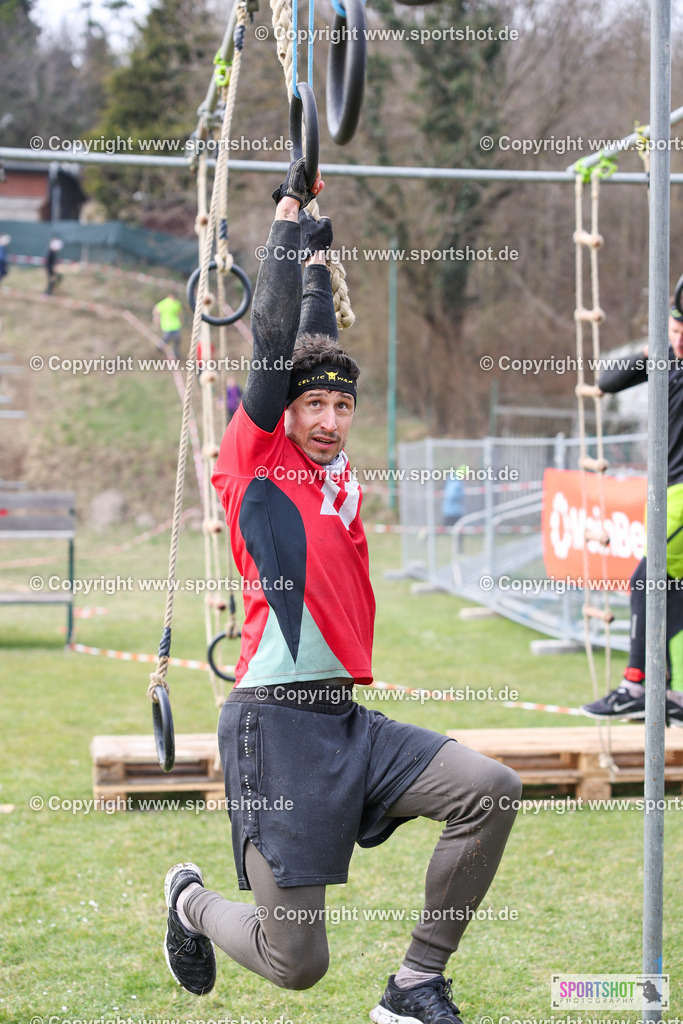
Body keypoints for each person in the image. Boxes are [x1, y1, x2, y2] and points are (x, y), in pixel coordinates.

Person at [162, 159, 521, 1024]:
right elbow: (276, 341)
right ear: (282, 413)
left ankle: (414, 985)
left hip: (346, 723)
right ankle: (190, 903)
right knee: (297, 966)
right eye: (311, 406)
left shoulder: (333, 469)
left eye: (340, 407)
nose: (327, 421)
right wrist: (286, 220)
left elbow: (312, 338)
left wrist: (319, 256)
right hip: (275, 729)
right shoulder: (255, 460)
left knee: (489, 789)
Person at [582, 305, 683, 725]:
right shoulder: (668, 359)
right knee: (667, 587)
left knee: (648, 581)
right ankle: (664, 690)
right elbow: (607, 381)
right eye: (674, 330)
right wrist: (652, 348)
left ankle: (638, 685)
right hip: (667, 492)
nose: (679, 340)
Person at [153, 289, 183, 359]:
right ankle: (160, 347)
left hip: (175, 325)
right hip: (167, 325)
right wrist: (157, 318)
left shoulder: (177, 303)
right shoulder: (164, 303)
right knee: (167, 338)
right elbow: (156, 310)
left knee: (177, 339)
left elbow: (179, 313)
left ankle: (176, 353)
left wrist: (181, 319)